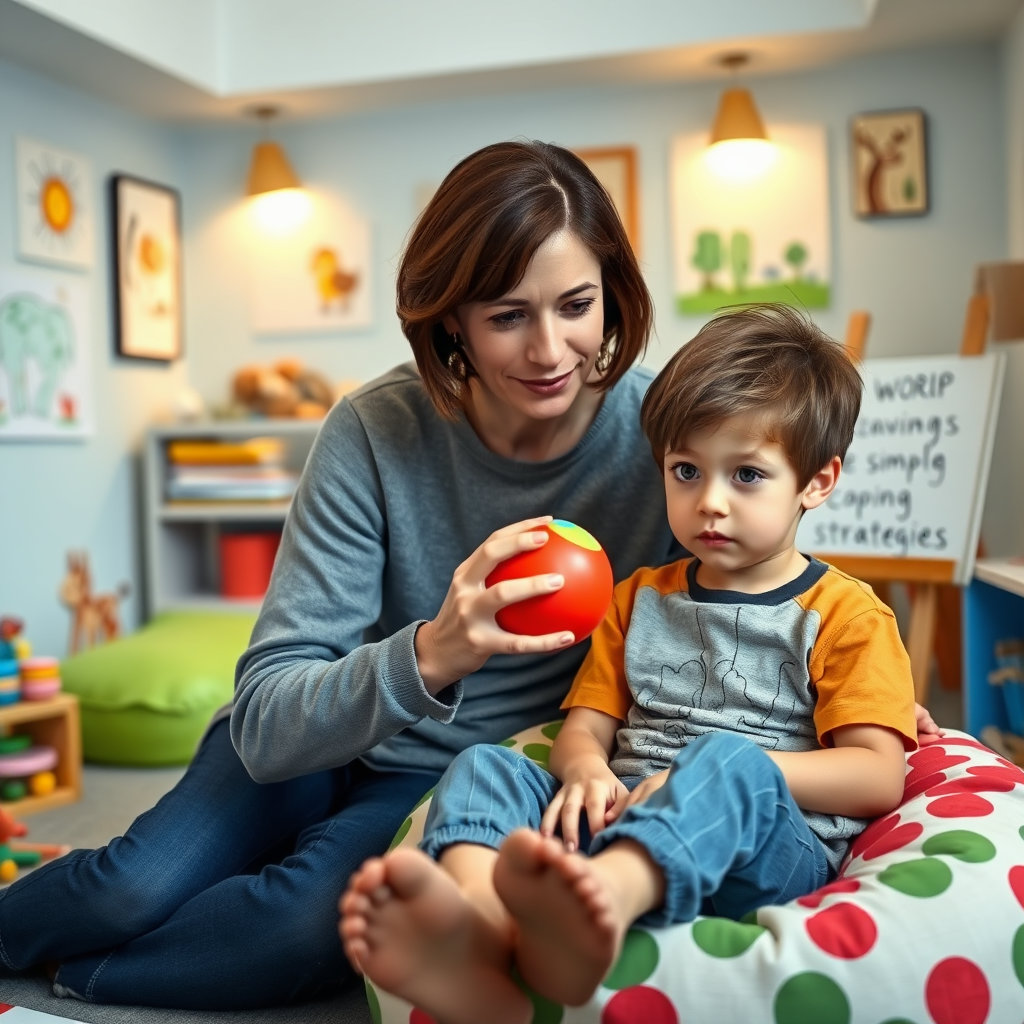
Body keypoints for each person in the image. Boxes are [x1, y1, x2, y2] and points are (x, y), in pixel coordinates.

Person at [0, 140, 686, 1009]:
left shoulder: (665, 443)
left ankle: (73, 985)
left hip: (444, 779)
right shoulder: (373, 430)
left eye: (576, 305)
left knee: (297, 928)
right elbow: (266, 721)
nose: (552, 349)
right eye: (508, 315)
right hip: (310, 740)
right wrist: (435, 652)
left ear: (610, 296)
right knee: (124, 889)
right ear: (453, 323)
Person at [339, 303, 920, 1024]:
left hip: (763, 850)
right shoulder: (638, 598)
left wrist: (712, 771)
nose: (709, 503)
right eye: (685, 470)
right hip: (623, 813)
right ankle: (481, 931)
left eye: (746, 475)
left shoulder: (848, 614)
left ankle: (602, 907)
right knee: (486, 765)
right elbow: (585, 727)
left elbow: (877, 774)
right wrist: (585, 769)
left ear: (817, 481)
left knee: (729, 760)